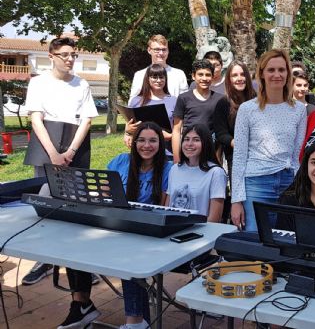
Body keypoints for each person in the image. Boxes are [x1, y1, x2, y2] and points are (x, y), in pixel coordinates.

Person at [21, 37, 99, 295]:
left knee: (75, 207)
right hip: (47, 148)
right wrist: (54, 153)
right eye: (64, 54)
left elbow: (87, 119)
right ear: (52, 56)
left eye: (73, 54)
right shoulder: (39, 82)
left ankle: (80, 265)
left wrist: (71, 151)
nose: (70, 59)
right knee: (45, 204)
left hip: (75, 146)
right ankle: (44, 259)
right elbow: (36, 119)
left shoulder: (82, 84)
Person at [231, 50, 307, 231]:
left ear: (288, 73)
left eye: (282, 69)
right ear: (262, 74)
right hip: (256, 184)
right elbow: (239, 157)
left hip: (288, 184)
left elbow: (297, 156)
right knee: (255, 240)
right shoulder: (247, 109)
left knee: (286, 240)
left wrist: (298, 191)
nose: (277, 74)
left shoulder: (299, 110)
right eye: (271, 70)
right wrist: (236, 200)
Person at [107, 122, 172, 329]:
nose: (146, 145)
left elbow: (165, 209)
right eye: (141, 140)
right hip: (115, 226)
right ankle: (81, 304)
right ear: (133, 143)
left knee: (130, 257)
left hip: (146, 232)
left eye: (153, 140)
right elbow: (104, 194)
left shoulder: (168, 169)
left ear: (160, 144)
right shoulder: (120, 161)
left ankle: (135, 322)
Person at [212, 60, 256, 220]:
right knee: (239, 199)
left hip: (257, 157)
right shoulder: (223, 103)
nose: (239, 78)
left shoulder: (257, 100)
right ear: (229, 79)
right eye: (234, 75)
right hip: (235, 158)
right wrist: (236, 143)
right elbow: (220, 133)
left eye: (242, 74)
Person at [166, 124, 227, 221]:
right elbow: (167, 207)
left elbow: (214, 219)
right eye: (186, 139)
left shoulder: (216, 173)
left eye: (196, 140)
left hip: (199, 233)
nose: (189, 144)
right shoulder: (174, 169)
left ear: (206, 143)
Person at [171, 60, 225, 163]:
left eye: (208, 75)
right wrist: (176, 159)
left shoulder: (220, 99)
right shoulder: (184, 98)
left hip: (210, 152)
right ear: (193, 76)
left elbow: (220, 132)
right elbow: (177, 130)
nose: (204, 78)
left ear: (213, 77)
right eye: (200, 74)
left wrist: (218, 161)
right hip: (188, 150)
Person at [124, 64, 177, 150]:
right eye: (154, 77)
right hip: (142, 150)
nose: (158, 80)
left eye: (161, 77)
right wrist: (128, 132)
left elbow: (180, 127)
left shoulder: (174, 100)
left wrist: (171, 136)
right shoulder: (136, 100)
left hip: (167, 150)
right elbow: (129, 123)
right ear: (147, 79)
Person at [128, 34, 188, 104]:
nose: (161, 53)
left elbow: (185, 101)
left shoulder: (179, 74)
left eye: (164, 49)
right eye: (157, 49)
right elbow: (132, 102)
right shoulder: (140, 75)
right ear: (149, 50)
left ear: (168, 51)